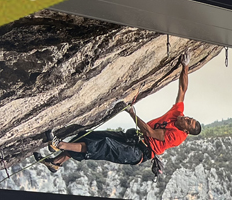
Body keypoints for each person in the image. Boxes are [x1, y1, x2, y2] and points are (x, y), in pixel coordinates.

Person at [36, 54, 202, 173]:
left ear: (186, 130)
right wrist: (185, 66)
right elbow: (183, 89)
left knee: (104, 145)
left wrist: (131, 112)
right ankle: (56, 162)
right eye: (190, 118)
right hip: (133, 138)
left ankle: (59, 145)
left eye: (189, 122)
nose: (186, 118)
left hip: (138, 152)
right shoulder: (178, 114)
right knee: (90, 136)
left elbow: (150, 132)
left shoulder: (177, 136)